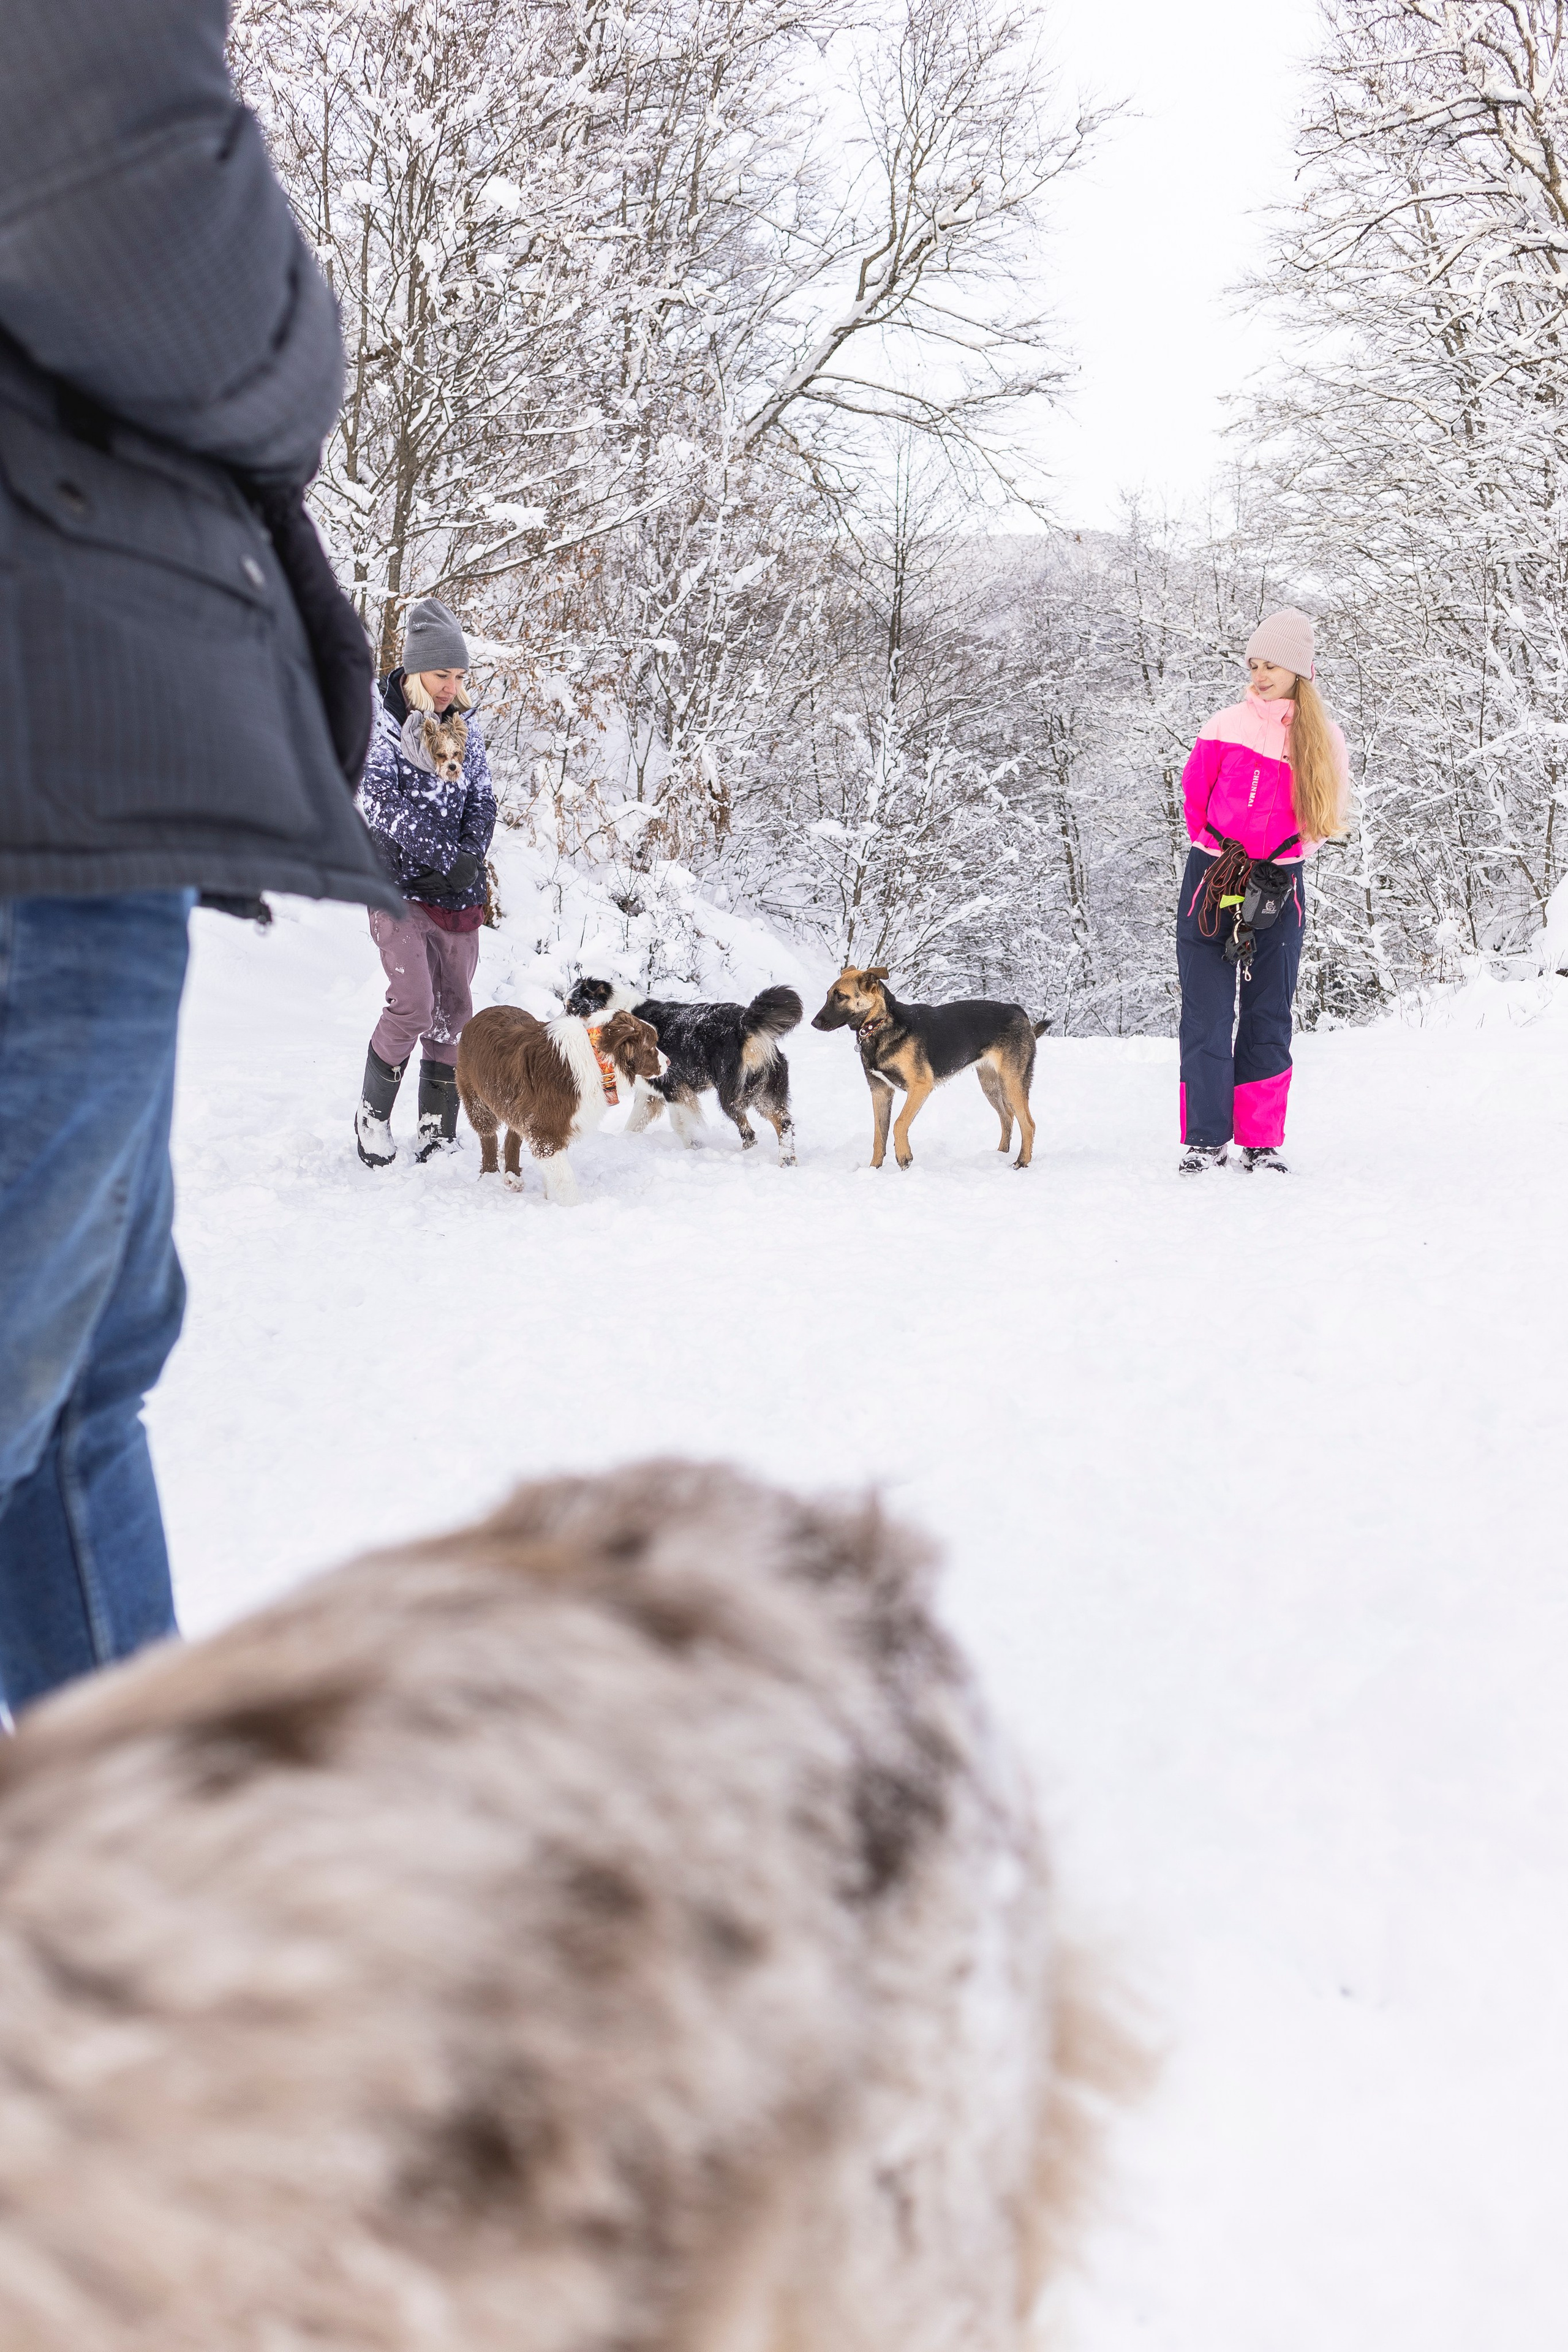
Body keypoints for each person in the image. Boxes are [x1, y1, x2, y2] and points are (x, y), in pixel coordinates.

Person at [0, 0, 398, 1716]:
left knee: (79, 1386)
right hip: (51, 748)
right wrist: (302, 344)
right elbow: (130, 212)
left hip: (80, 757)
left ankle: (150, 1870)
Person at [1175, 608, 1349, 1174]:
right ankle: (1206, 1138)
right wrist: (1221, 853)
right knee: (1206, 1012)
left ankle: (1260, 1141)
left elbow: (1324, 818)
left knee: (1268, 1012)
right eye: (1254, 664)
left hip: (1278, 885)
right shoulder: (1224, 725)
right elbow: (1195, 797)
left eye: (1272, 664)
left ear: (1299, 669)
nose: (1260, 674)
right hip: (1212, 878)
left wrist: (1280, 863)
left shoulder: (1323, 740)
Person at [354, 598, 497, 1167]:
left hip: (456, 895)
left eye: (459, 676)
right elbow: (378, 801)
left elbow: (482, 797)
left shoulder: (465, 725)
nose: (450, 687)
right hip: (397, 887)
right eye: (442, 675)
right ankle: (372, 1117)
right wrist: (443, 855)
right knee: (414, 1005)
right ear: (416, 669)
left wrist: (469, 857)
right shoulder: (382, 722)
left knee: (455, 1013)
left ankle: (437, 1129)